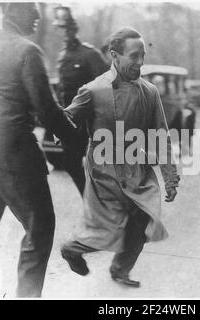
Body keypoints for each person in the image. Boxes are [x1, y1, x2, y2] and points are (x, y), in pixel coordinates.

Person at [0, 3, 78, 297]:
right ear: (12, 10)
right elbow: (47, 111)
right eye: (31, 9)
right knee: (40, 228)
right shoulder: (27, 51)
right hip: (14, 156)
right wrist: (78, 139)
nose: (38, 17)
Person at [60, 27, 180, 287]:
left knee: (142, 217)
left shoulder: (149, 92)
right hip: (103, 169)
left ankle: (120, 269)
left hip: (136, 166)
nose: (139, 62)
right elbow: (67, 118)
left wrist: (170, 177)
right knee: (111, 226)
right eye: (133, 56)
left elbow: (161, 135)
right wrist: (59, 128)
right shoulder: (93, 90)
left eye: (143, 56)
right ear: (115, 55)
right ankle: (73, 248)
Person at [50, 6, 109, 196]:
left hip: (92, 120)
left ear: (74, 30)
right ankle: (89, 201)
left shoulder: (90, 54)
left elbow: (107, 85)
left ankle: (107, 206)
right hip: (70, 120)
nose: (64, 34)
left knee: (102, 166)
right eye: (60, 29)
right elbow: (61, 90)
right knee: (70, 162)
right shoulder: (61, 57)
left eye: (67, 29)